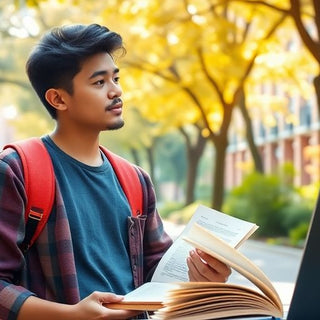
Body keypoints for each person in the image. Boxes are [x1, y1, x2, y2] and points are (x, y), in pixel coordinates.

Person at [0, 23, 231, 320]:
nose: (116, 91)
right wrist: (71, 315)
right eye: (99, 82)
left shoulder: (135, 179)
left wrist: (200, 279)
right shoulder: (18, 170)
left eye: (116, 78)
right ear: (58, 99)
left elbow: (158, 276)